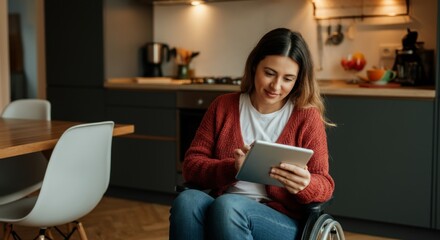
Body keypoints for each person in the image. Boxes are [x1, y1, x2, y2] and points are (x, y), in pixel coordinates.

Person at [169, 27, 335, 240]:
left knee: (229, 206)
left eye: (288, 78)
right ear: (255, 65)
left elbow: (325, 186)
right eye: (269, 73)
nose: (276, 86)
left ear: (298, 80)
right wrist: (233, 168)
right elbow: (191, 167)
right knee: (187, 201)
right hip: (224, 205)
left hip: (278, 220)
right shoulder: (223, 106)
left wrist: (306, 185)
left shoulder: (306, 117)